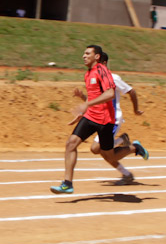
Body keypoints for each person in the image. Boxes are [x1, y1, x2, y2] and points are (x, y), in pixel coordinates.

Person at [50, 45, 120, 195]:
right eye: (84, 53)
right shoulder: (88, 74)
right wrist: (83, 112)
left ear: (97, 57)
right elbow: (93, 97)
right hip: (90, 116)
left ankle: (132, 147)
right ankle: (67, 183)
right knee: (71, 143)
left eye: (88, 53)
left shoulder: (102, 70)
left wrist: (87, 104)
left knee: (110, 156)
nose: (84, 56)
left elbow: (110, 94)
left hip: (105, 120)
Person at [83, 52, 149, 182]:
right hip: (101, 118)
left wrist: (135, 109)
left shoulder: (113, 78)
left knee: (104, 152)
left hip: (112, 119)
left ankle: (134, 149)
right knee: (96, 149)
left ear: (104, 63)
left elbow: (131, 91)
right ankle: (126, 170)